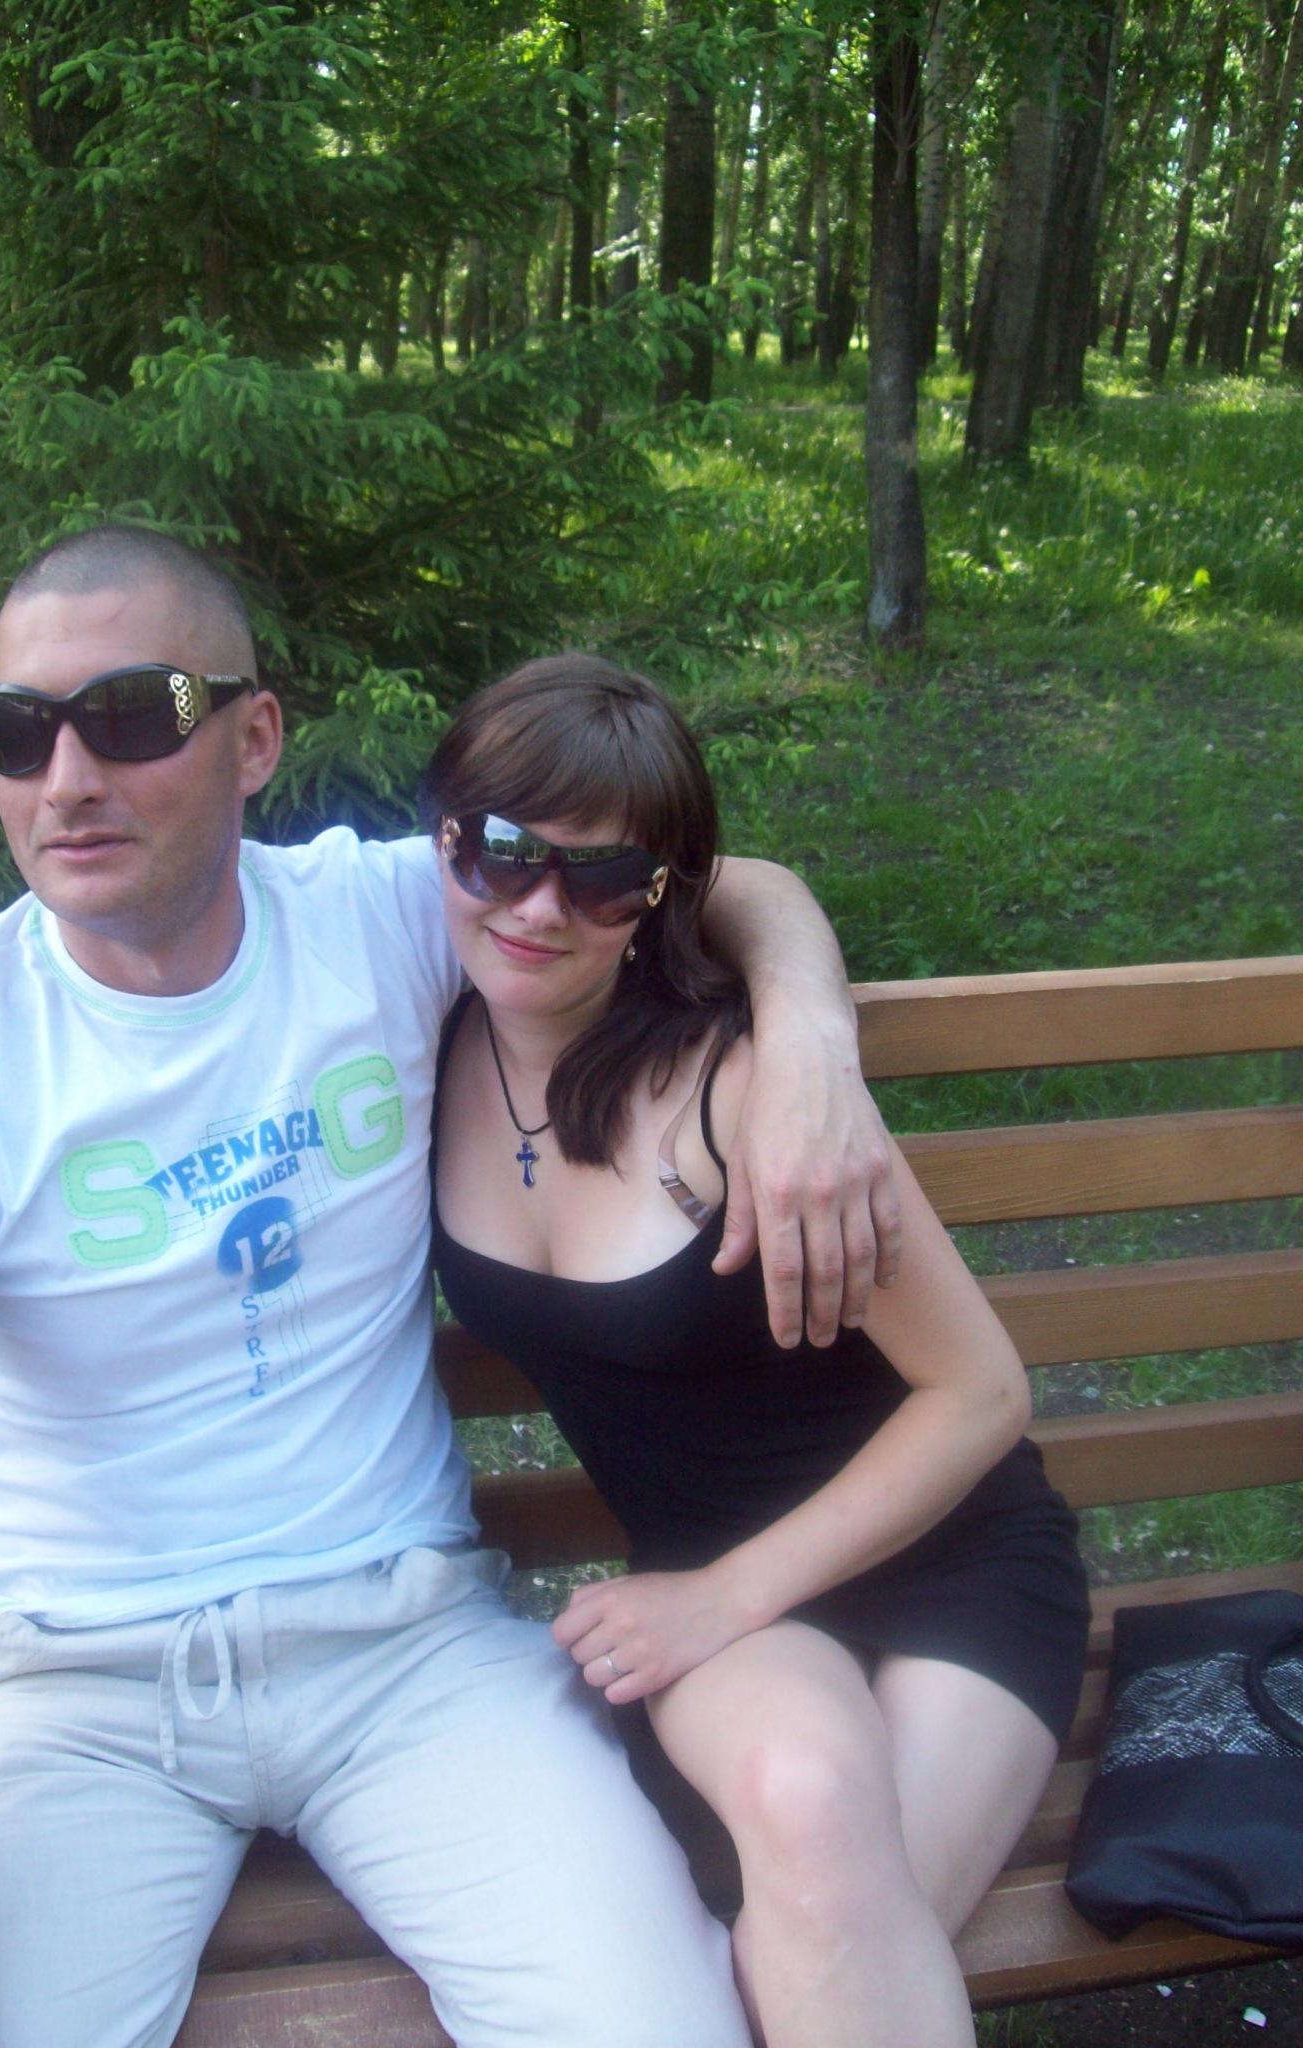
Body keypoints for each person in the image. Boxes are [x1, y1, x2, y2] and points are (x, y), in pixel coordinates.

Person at [0, 527, 902, 2048]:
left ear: (254, 739)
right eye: (18, 729)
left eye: (129, 716)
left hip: (407, 1646)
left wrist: (814, 1042)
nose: (67, 779)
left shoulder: (385, 917)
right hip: (75, 1694)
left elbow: (718, 885)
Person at [426, 655, 1092, 2048]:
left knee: (795, 1961)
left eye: (603, 878)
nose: (539, 907)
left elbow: (979, 1392)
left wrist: (807, 1041)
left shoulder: (743, 1089)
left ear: (656, 898)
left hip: (949, 1567)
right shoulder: (415, 1037)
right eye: (502, 852)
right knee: (806, 1803)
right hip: (725, 1607)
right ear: (444, 839)